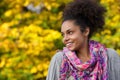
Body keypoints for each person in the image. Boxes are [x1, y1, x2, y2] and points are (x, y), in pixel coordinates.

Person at [46, 0, 120, 80]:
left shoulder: (110, 57)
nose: (65, 39)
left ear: (85, 31)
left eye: (70, 32)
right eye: (63, 35)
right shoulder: (60, 60)